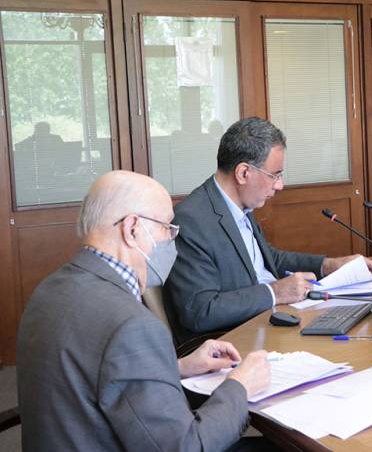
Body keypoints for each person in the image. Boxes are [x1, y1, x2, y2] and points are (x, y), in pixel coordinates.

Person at [17, 170, 272, 451]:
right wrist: (240, 386)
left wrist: (177, 368)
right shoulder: (132, 324)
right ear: (132, 229)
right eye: (167, 228)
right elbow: (186, 447)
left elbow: (95, 376)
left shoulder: (49, 289)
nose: (172, 239)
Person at [165, 117, 372, 343]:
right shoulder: (191, 221)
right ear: (243, 173)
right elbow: (200, 310)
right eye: (274, 175)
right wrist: (275, 292)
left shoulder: (240, 204)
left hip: (276, 318)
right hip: (238, 339)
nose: (280, 185)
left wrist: (328, 265)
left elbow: (269, 260)